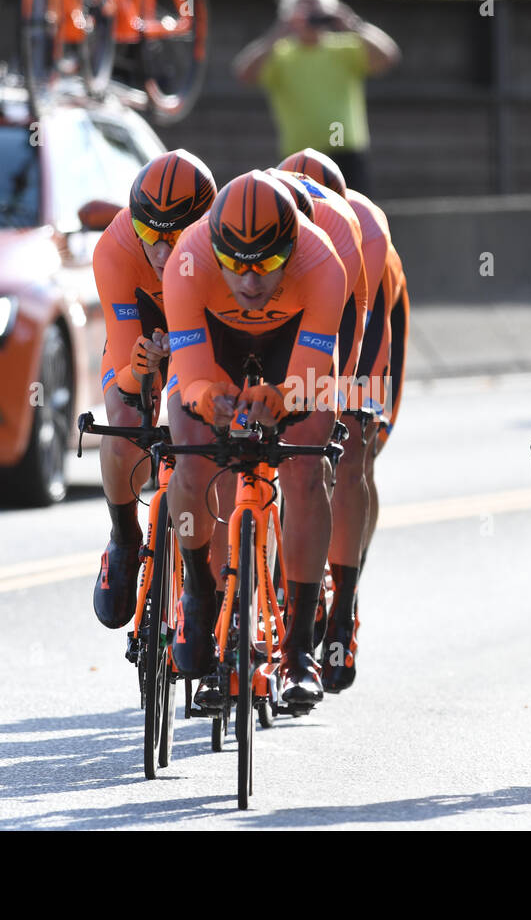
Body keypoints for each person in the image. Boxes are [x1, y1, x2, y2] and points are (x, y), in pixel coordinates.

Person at [163, 170, 347, 706]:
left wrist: (283, 398)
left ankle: (297, 651)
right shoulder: (188, 262)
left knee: (308, 470)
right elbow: (193, 376)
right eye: (235, 265)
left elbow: (311, 379)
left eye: (266, 264)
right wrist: (208, 399)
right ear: (214, 249)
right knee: (192, 460)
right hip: (215, 345)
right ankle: (199, 594)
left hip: (290, 348)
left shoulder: (323, 263)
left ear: (289, 250)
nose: (249, 281)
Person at [278, 147, 408, 693]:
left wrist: (338, 401)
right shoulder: (266, 225)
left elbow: (351, 332)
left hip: (368, 311)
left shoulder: (365, 233)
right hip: (291, 307)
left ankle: (344, 603)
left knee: (351, 441)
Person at [90, 149, 216, 633]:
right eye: (149, 235)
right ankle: (123, 537)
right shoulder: (115, 248)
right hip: (143, 331)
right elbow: (124, 361)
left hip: (202, 333)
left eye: (176, 237)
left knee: (213, 442)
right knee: (125, 418)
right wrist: (138, 370)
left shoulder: (219, 245)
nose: (161, 252)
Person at [231, 0, 400, 195]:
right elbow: (243, 73)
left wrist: (354, 24)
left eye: (317, 8)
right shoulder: (280, 55)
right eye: (305, 8)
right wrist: (279, 31)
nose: (312, 15)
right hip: (298, 159)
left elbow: (389, 56)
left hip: (345, 154)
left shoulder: (345, 49)